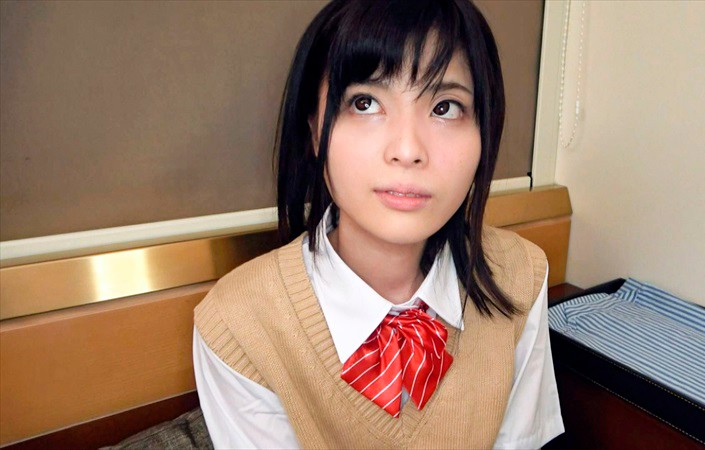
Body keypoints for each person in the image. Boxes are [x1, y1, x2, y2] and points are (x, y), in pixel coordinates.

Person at [193, 0, 564, 448]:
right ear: (315, 129)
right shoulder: (239, 325)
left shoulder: (519, 275)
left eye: (445, 107)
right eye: (365, 103)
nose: (407, 150)